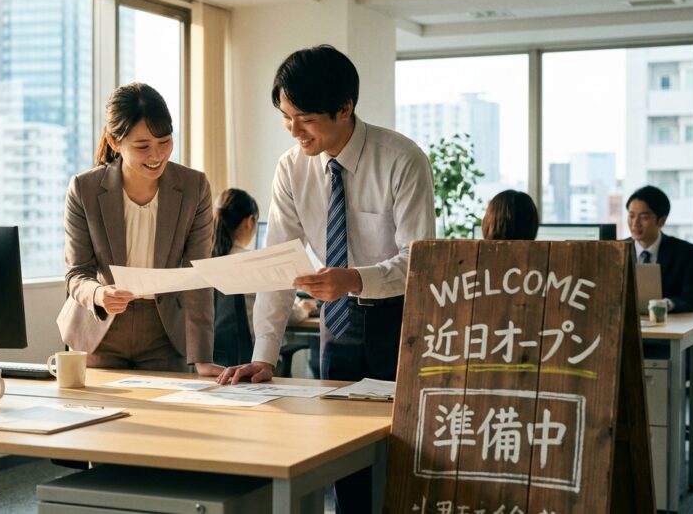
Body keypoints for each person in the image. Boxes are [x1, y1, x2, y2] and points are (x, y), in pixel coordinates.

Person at [216, 45, 436, 514]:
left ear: (345, 108)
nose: (294, 130)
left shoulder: (401, 159)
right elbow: (278, 266)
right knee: (344, 466)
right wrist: (263, 357)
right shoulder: (291, 168)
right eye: (286, 117)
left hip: (400, 321)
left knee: (402, 461)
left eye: (306, 119)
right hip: (336, 324)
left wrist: (356, 279)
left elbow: (421, 263)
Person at [57, 82, 221, 375]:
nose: (156, 155)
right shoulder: (84, 189)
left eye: (165, 141)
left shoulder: (194, 187)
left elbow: (198, 275)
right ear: (114, 142)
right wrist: (98, 294)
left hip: (165, 333)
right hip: (98, 331)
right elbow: (76, 273)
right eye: (142, 146)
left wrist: (202, 357)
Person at [212, 188, 317, 366]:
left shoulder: (207, 263)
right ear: (249, 222)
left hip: (213, 362)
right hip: (253, 361)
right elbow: (282, 312)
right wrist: (304, 309)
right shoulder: (253, 264)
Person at [626, 185, 693, 313]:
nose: (635, 223)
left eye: (644, 217)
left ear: (661, 221)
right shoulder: (616, 250)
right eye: (631, 216)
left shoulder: (685, 252)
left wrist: (667, 304)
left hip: (668, 322)